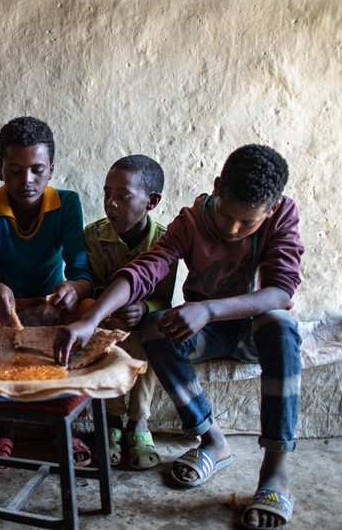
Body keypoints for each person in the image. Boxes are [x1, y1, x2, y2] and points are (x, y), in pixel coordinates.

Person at [55, 144, 303, 530]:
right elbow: (143, 271)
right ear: (217, 187)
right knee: (157, 329)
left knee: (281, 325)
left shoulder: (282, 215)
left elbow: (282, 291)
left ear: (270, 211)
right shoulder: (191, 221)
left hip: (253, 333)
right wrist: (93, 318)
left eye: (247, 223)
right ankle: (212, 441)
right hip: (202, 332)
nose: (231, 228)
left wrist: (209, 308)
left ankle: (274, 472)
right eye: (225, 213)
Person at [0, 116, 94, 469]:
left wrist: (71, 288)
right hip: (3, 309)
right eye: (14, 170)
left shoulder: (67, 203)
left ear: (51, 168)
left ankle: (62, 426)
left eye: (37, 170)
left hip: (52, 307)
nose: (27, 181)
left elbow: (82, 274)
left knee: (89, 308)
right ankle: (2, 428)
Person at [83, 154, 176, 470]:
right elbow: (92, 285)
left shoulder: (167, 242)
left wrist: (146, 307)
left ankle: (138, 422)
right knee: (103, 334)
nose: (110, 204)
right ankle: (111, 420)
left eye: (122, 196)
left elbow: (167, 299)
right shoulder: (94, 237)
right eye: (107, 194)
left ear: (151, 201)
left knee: (151, 332)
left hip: (144, 323)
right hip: (107, 319)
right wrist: (109, 308)